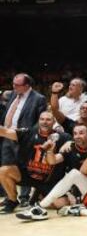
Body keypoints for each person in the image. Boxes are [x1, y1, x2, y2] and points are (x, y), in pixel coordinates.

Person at [0, 111, 70, 214]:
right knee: (4, 170)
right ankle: (12, 200)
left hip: (49, 181)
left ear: (54, 122)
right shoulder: (28, 133)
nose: (44, 122)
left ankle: (40, 197)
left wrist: (69, 143)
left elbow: (72, 142)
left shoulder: (62, 137)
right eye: (42, 119)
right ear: (38, 120)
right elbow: (5, 132)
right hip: (28, 175)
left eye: (48, 119)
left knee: (62, 204)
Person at [1, 73, 47, 207]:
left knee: (23, 167)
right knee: (6, 166)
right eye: (13, 84)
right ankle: (10, 197)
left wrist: (32, 137)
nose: (13, 86)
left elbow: (40, 120)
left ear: (27, 86)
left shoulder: (39, 98)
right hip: (7, 134)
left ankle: (24, 196)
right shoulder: (13, 95)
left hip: (24, 139)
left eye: (17, 85)